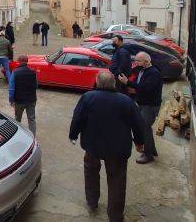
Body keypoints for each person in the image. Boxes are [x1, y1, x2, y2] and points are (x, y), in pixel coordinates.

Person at [69, 71, 145, 222]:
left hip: (93, 146)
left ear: (97, 82)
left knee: (91, 174)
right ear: (114, 84)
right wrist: (139, 142)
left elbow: (78, 117)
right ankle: (115, 216)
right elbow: (138, 123)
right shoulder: (126, 100)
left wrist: (73, 135)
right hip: (118, 149)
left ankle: (92, 202)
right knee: (117, 180)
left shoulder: (88, 97)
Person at [118, 52, 163, 164]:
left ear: (146, 62)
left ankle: (148, 154)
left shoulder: (154, 73)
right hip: (143, 103)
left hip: (150, 105)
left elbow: (145, 88)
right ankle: (151, 150)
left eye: (138, 60)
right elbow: (137, 82)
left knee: (144, 128)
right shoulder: (143, 70)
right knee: (146, 128)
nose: (135, 62)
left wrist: (127, 82)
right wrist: (129, 75)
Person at [8, 54, 38, 136]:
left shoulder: (15, 72)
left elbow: (11, 88)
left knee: (17, 119)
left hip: (19, 101)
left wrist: (11, 100)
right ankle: (32, 137)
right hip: (32, 100)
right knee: (31, 119)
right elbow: (36, 86)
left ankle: (18, 135)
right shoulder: (33, 71)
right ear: (27, 61)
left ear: (18, 61)